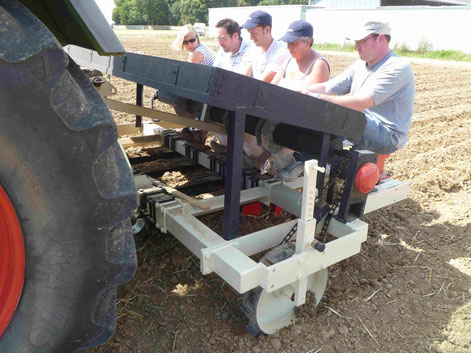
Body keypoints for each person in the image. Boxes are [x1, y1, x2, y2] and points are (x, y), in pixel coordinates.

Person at [303, 20, 415, 156]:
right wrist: (300, 91)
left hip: (386, 134)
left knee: (335, 112)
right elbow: (328, 88)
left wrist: (318, 99)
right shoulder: (359, 65)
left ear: (380, 39)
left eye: (361, 41)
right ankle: (307, 158)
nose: (356, 47)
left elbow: (362, 102)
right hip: (361, 121)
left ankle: (309, 160)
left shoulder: (396, 67)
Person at [258, 20, 331, 181]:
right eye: (288, 44)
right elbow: (272, 88)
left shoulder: (318, 65)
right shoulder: (289, 61)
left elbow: (303, 101)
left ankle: (299, 161)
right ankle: (262, 157)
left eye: (294, 43)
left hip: (303, 123)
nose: (289, 48)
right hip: (282, 114)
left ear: (308, 42)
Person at [240, 10, 289, 83]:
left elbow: (262, 83)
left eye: (254, 33)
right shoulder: (253, 49)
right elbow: (244, 77)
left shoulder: (281, 52)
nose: (251, 38)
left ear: (267, 30)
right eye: (249, 33)